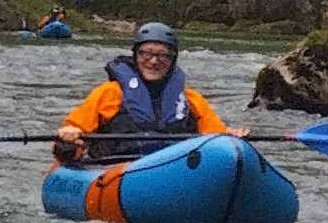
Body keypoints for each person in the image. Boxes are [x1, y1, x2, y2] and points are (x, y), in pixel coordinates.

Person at [52, 22, 228, 165]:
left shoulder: (191, 99)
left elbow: (217, 138)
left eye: (162, 55)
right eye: (146, 54)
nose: (153, 61)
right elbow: (74, 129)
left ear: (172, 60)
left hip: (175, 170)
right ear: (135, 56)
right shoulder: (109, 93)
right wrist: (69, 137)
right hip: (115, 170)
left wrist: (232, 137)